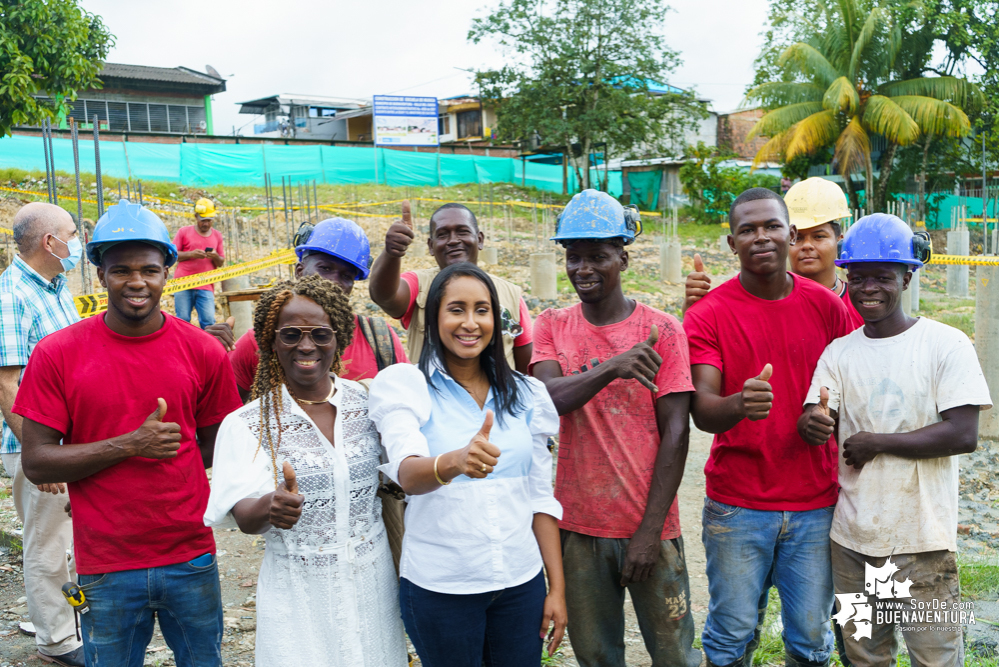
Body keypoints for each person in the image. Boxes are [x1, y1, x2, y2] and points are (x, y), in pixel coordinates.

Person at [13, 200, 241, 667]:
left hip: (190, 555)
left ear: (168, 275)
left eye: (150, 270)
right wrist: (130, 446)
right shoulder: (58, 355)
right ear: (99, 275)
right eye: (121, 270)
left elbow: (221, 441)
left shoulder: (203, 351)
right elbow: (36, 461)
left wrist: (173, 472)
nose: (137, 282)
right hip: (106, 563)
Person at [799, 214, 991, 667]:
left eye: (883, 277)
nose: (868, 288)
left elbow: (963, 434)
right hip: (853, 542)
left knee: (935, 658)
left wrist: (878, 442)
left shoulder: (946, 345)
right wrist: (814, 422)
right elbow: (818, 409)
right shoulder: (840, 352)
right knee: (866, 656)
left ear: (907, 276)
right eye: (859, 277)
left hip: (923, 544)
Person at [682, 188, 855, 667]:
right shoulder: (708, 313)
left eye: (771, 226)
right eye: (747, 229)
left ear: (790, 234)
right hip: (737, 505)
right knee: (731, 634)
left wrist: (824, 419)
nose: (761, 237)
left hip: (815, 504)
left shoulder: (827, 307)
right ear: (731, 243)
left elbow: (848, 390)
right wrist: (739, 403)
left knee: (810, 637)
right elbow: (703, 408)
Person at [530, 190, 700, 667]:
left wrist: (648, 533)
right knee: (597, 655)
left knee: (674, 656)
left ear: (623, 257)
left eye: (598, 257)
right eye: (574, 257)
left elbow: (677, 433)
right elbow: (547, 400)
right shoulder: (552, 325)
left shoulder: (662, 329)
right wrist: (612, 367)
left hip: (651, 528)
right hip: (579, 528)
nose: (583, 268)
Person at [368, 263, 566, 667]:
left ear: (496, 317)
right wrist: (454, 462)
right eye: (456, 309)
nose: (470, 323)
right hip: (441, 588)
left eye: (482, 310)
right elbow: (407, 474)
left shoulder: (527, 394)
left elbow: (539, 497)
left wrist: (557, 588)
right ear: (434, 317)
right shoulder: (407, 384)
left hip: (519, 582)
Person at [204, 275, 408, 667]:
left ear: (339, 336)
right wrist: (270, 506)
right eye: (291, 334)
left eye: (320, 333)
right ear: (270, 341)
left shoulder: (369, 403)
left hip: (373, 583)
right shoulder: (249, 423)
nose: (306, 345)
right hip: (297, 591)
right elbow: (244, 516)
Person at [0, 203, 83, 667]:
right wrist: (39, 455)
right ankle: (57, 641)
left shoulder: (54, 288)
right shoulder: (11, 296)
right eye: (72, 233)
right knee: (48, 544)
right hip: (40, 443)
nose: (78, 242)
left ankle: (70, 623)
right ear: (50, 243)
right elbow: (7, 383)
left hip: (69, 444)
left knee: (68, 542)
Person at [222, 218, 407, 402]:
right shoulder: (260, 342)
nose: (334, 281)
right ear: (299, 271)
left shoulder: (379, 338)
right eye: (325, 268)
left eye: (346, 276)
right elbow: (222, 412)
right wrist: (209, 356)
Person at [368, 200, 534, 373]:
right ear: (431, 246)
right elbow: (384, 296)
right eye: (442, 234)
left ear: (480, 239)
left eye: (462, 231)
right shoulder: (418, 284)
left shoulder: (510, 294)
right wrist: (391, 253)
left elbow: (525, 369)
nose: (453, 241)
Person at [685, 177, 863, 327]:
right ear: (790, 236)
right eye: (799, 238)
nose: (807, 246)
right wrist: (693, 308)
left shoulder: (860, 304)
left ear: (839, 239)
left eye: (819, 237)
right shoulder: (762, 302)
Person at [172, 197, 224, 328]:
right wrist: (191, 254)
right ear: (196, 217)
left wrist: (215, 256)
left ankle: (209, 347)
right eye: (203, 220)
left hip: (205, 284)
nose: (206, 223)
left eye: (209, 220)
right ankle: (184, 346)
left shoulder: (217, 235)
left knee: (208, 321)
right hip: (183, 283)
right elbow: (173, 254)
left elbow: (221, 262)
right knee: (183, 320)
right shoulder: (184, 232)